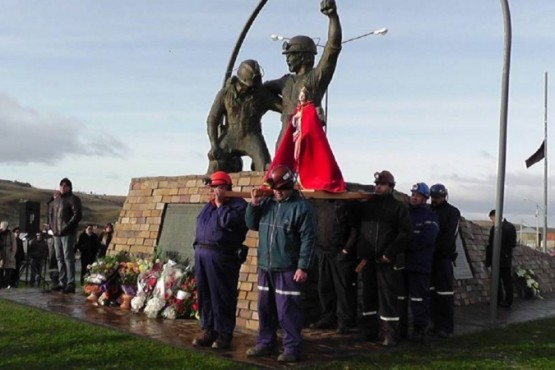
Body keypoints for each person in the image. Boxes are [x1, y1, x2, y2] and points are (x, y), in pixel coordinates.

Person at [245, 165, 316, 363]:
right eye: (275, 188)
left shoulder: (301, 208)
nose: (277, 192)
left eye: (281, 189)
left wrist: (303, 266)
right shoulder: (266, 203)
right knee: (265, 308)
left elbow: (308, 240)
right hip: (265, 266)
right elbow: (251, 224)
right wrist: (254, 205)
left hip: (287, 268)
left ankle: (292, 348)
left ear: (290, 186)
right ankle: (265, 343)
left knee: (287, 311)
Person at [265, 0, 342, 149]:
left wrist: (333, 17)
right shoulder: (285, 81)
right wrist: (282, 107)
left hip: (308, 134)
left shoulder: (316, 78)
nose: (287, 59)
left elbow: (333, 47)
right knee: (279, 170)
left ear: (303, 56)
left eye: (291, 55)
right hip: (285, 136)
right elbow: (262, 90)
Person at [353, 170, 412, 347]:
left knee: (388, 299)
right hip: (368, 260)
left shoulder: (398, 207)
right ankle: (368, 330)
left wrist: (389, 253)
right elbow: (355, 223)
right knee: (368, 297)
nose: (378, 187)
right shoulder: (367, 206)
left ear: (391, 187)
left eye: (382, 184)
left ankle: (390, 334)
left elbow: (405, 233)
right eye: (377, 184)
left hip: (387, 261)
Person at [192, 171, 248, 350]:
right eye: (212, 188)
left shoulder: (239, 205)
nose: (213, 191)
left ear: (225, 187)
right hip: (202, 255)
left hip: (222, 257)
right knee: (205, 295)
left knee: (222, 296)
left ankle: (224, 334)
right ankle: (208, 330)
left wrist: (220, 204)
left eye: (216, 187)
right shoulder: (209, 206)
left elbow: (229, 222)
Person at [206, 59, 282, 173]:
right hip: (229, 136)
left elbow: (285, 107)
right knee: (215, 165)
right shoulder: (225, 94)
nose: (253, 88)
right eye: (249, 86)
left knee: (264, 166)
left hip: (252, 136)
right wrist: (214, 145)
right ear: (241, 81)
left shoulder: (261, 94)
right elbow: (212, 120)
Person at [265, 86, 345, 192]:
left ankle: (301, 177)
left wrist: (302, 121)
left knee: (303, 156)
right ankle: (296, 175)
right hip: (297, 136)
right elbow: (294, 123)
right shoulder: (299, 109)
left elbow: (311, 124)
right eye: (300, 95)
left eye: (303, 95)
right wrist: (295, 118)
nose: (301, 97)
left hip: (306, 139)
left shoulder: (310, 109)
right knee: (295, 156)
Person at [309, 198, 357, 334]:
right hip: (324, 252)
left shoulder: (347, 203)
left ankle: (345, 321)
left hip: (340, 253)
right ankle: (327, 317)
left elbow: (354, 229)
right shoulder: (321, 203)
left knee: (343, 289)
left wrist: (346, 250)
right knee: (324, 287)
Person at [399, 183, 439, 342]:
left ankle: (419, 329)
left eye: (418, 195)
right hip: (403, 264)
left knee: (418, 299)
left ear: (424, 198)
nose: (414, 197)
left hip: (419, 265)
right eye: (413, 194)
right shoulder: (405, 213)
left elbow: (427, 238)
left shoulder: (429, 216)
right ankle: (401, 329)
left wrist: (406, 245)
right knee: (400, 298)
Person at [429, 183, 461, 338]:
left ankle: (445, 326)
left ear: (444, 196)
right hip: (429, 258)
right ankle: (432, 322)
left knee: (444, 293)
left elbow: (449, 235)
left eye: (438, 197)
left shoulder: (452, 212)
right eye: (433, 197)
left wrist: (434, 248)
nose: (435, 200)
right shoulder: (429, 211)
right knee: (431, 292)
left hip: (443, 258)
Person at [49, 177, 83, 294]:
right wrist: (52, 228)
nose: (63, 187)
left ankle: (70, 283)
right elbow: (51, 215)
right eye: (61, 185)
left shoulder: (73, 199)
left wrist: (67, 226)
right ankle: (62, 282)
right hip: (56, 233)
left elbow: (77, 215)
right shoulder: (56, 200)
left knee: (68, 258)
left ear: (69, 187)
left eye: (65, 185)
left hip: (67, 233)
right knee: (59, 258)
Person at [485, 209, 517, 309]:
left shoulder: (509, 227)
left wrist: (504, 253)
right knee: (496, 281)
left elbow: (512, 243)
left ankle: (508, 301)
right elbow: (490, 244)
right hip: (495, 259)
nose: (492, 221)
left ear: (495, 216)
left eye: (492, 218)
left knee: (506, 280)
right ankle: (497, 299)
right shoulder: (493, 228)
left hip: (504, 259)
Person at [0, 221, 17, 289]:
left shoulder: (11, 234)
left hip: (9, 254)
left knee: (8, 271)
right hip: (1, 254)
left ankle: (7, 284)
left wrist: (12, 255)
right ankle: (1, 284)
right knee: (0, 271)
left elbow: (14, 245)